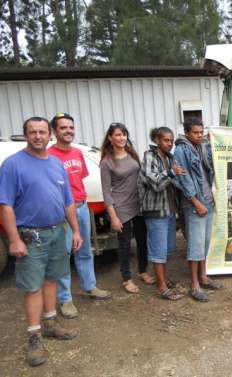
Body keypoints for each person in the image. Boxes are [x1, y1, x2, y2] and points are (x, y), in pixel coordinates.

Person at [0, 117, 82, 367]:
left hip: (58, 231)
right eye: (33, 132)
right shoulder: (12, 165)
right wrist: (14, 239)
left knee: (51, 279)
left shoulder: (57, 164)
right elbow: (6, 205)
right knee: (33, 286)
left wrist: (75, 231)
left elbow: (68, 201)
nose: (38, 136)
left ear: (50, 135)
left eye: (42, 132)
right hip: (30, 235)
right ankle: (34, 335)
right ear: (26, 135)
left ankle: (50, 322)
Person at [47, 113, 112, 319]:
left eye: (71, 127)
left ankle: (90, 287)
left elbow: (78, 180)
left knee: (85, 250)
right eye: (63, 128)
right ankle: (65, 299)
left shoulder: (76, 152)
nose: (68, 131)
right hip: (63, 212)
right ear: (55, 131)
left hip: (82, 207)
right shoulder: (49, 156)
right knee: (63, 255)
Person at [100, 123, 153, 294]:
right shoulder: (107, 162)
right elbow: (106, 192)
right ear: (110, 138)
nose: (121, 138)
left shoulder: (131, 154)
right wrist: (113, 217)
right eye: (117, 135)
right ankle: (126, 278)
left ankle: (143, 270)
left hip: (138, 204)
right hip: (121, 207)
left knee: (142, 240)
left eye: (124, 134)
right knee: (124, 245)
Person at [174, 118, 222, 302]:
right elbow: (182, 180)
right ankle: (194, 285)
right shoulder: (181, 150)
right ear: (186, 132)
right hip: (195, 205)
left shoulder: (201, 147)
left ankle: (204, 277)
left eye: (201, 132)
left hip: (208, 201)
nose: (199, 135)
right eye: (195, 132)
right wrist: (195, 202)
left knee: (205, 244)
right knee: (195, 246)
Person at [138, 127, 187, 300]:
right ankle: (161, 287)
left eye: (171, 141)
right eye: (166, 140)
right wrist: (172, 173)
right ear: (157, 140)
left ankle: (163, 279)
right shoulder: (149, 156)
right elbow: (155, 183)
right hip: (155, 211)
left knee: (166, 249)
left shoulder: (170, 158)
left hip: (169, 211)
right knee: (158, 250)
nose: (169, 143)